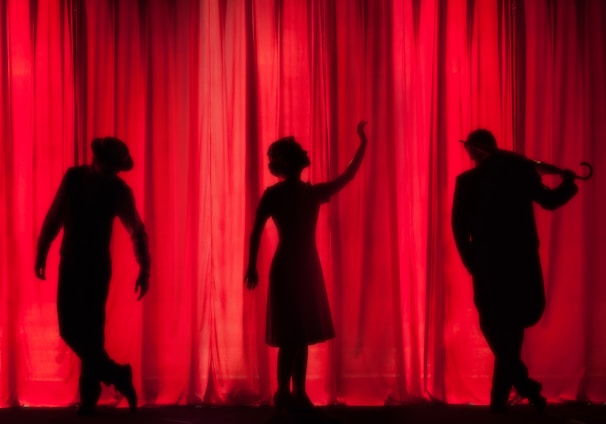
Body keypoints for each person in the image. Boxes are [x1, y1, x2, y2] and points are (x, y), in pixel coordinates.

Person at [451, 129, 578, 413]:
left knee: (496, 329)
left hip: (489, 265)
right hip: (519, 264)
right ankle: (521, 392)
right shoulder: (520, 171)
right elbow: (550, 200)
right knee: (510, 333)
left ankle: (511, 395)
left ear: (473, 151)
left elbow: (459, 228)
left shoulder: (469, 181)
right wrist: (568, 184)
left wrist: (471, 261)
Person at [244, 121, 368, 411]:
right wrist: (251, 265)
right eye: (298, 151)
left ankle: (296, 393)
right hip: (290, 267)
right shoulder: (281, 194)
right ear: (288, 161)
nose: (304, 151)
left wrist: (362, 144)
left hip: (303, 267)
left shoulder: (306, 193)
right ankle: (284, 394)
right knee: (292, 336)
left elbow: (347, 176)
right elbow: (256, 231)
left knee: (300, 337)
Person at [35, 137, 150, 415]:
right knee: (70, 329)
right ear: (97, 160)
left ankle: (89, 398)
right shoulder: (74, 178)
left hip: (96, 266)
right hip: (72, 262)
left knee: (91, 332)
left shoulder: (118, 190)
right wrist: (42, 249)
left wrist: (144, 267)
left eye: (116, 168)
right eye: (110, 166)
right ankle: (118, 374)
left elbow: (136, 230)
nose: (113, 172)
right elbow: (55, 216)